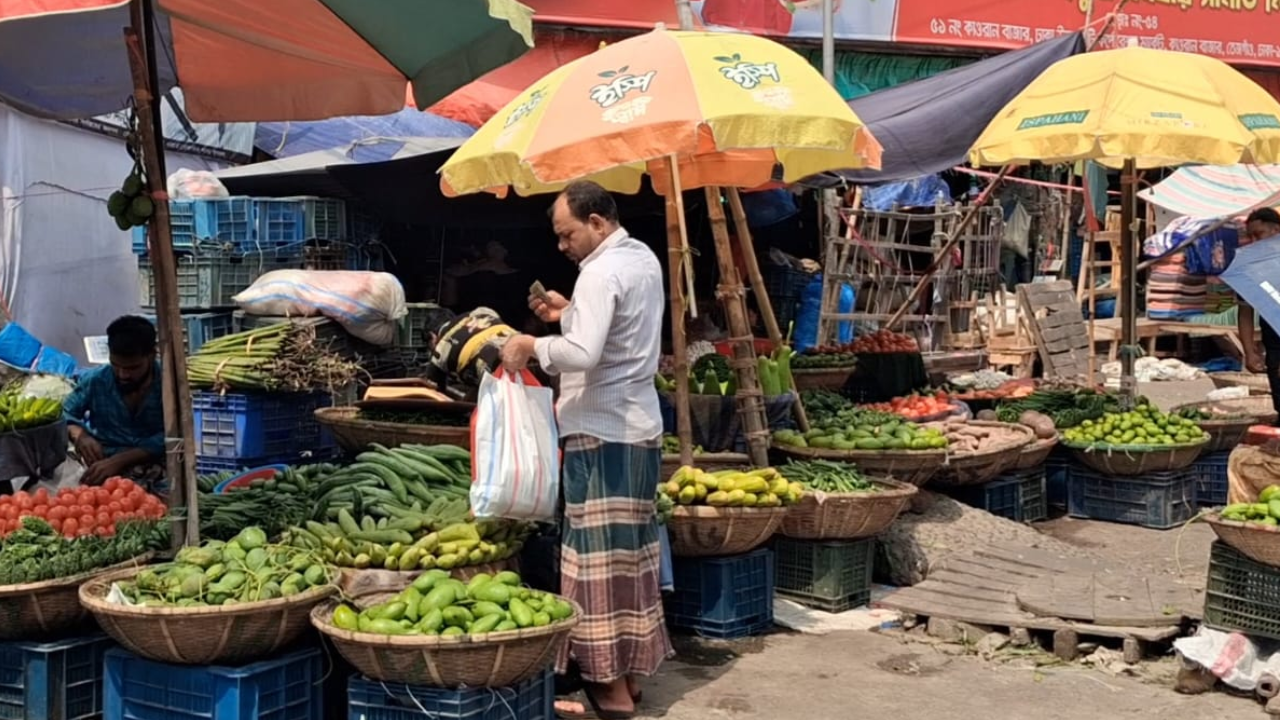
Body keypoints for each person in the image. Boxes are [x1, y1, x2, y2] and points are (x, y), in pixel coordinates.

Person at [501, 181, 671, 720]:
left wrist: (531, 344)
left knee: (593, 566)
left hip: (600, 432)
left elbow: (583, 353)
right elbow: (614, 331)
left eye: (567, 233)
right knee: (630, 560)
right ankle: (632, 678)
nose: (562, 246)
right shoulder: (640, 258)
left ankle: (610, 691)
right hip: (638, 428)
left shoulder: (600, 272)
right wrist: (568, 311)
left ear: (597, 222)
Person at [62, 316, 165, 490]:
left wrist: (120, 460)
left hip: (155, 463)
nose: (123, 375)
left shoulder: (169, 383)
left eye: (133, 368)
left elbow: (174, 434)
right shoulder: (96, 380)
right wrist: (80, 435)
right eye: (116, 365)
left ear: (151, 355)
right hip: (101, 462)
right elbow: (64, 413)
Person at [421, 305, 519, 401]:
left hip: (500, 371)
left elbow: (434, 396)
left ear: (432, 337)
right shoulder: (482, 312)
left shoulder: (441, 349)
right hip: (524, 347)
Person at [1237, 208, 1280, 417]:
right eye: (1251, 236)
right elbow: (1245, 311)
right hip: (1275, 346)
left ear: (1276, 230)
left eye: (1259, 234)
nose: (1254, 241)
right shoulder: (1250, 268)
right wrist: (1249, 351)